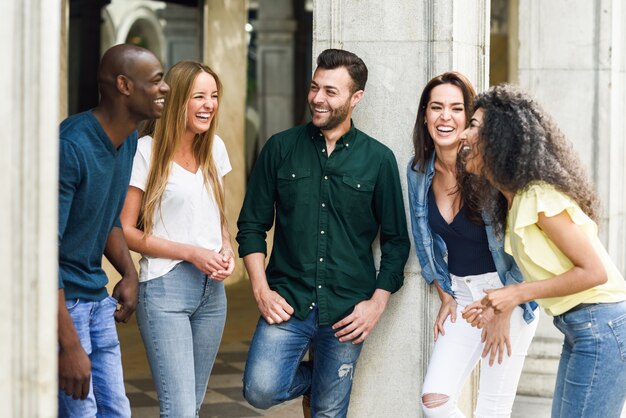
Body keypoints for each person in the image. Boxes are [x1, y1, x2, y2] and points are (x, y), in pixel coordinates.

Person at [236, 48, 410, 417]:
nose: (317, 98)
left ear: (355, 98)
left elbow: (396, 242)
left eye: (331, 91)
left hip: (347, 311)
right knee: (260, 389)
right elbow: (251, 225)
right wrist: (260, 289)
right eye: (315, 87)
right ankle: (329, 377)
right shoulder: (280, 149)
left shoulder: (378, 160)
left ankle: (332, 381)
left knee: (329, 412)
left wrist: (375, 305)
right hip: (287, 300)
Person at [460, 84, 626, 418]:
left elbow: (595, 272)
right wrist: (499, 303)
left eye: (474, 125)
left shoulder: (539, 196)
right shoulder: (514, 199)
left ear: (499, 136)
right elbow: (546, 272)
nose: (464, 134)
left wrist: (516, 293)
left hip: (602, 326)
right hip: (580, 328)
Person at [406, 72, 539, 418]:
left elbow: (525, 246)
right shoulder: (418, 172)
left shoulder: (491, 171)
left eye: (456, 108)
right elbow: (422, 236)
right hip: (463, 299)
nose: (445, 117)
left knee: (491, 409)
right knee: (433, 401)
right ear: (425, 115)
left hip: (506, 293)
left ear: (469, 120)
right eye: (436, 107)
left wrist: (504, 306)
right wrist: (443, 290)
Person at [57, 44, 170, 417]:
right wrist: (68, 344)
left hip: (96, 300)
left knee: (117, 411)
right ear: (124, 85)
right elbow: (41, 253)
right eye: (156, 81)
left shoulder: (128, 143)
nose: (165, 88)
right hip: (63, 306)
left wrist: (129, 272)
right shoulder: (71, 146)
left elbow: (105, 220)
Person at [120, 60, 234, 417]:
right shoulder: (145, 152)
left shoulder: (214, 147)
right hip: (165, 291)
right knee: (180, 410)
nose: (208, 104)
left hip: (212, 294)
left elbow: (218, 218)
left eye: (213, 96)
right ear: (176, 100)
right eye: (198, 96)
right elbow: (126, 230)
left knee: (191, 408)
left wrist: (226, 247)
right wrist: (191, 253)